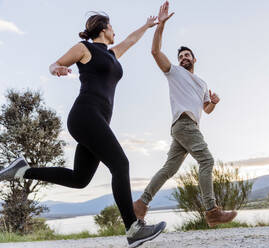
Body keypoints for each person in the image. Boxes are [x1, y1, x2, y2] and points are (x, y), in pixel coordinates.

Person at [0, 12, 165, 248]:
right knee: (121, 164)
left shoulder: (111, 53)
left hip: (97, 120)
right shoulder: (84, 48)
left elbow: (129, 40)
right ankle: (133, 227)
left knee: (80, 179)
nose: (114, 31)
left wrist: (148, 26)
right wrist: (57, 69)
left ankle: (22, 171)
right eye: (111, 27)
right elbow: (54, 63)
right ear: (102, 28)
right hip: (85, 115)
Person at [133, 1, 237, 228]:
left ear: (194, 59)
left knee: (169, 169)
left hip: (189, 127)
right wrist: (160, 26)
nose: (183, 58)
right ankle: (211, 211)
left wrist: (215, 103)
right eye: (181, 56)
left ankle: (141, 204)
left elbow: (206, 110)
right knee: (207, 160)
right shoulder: (174, 72)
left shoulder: (201, 83)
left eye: (187, 55)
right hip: (183, 125)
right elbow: (155, 51)